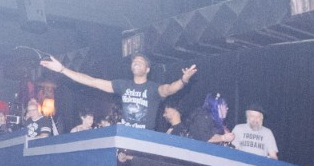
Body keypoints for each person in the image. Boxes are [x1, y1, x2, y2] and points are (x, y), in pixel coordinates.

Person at [42, 52, 198, 130]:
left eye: (140, 62)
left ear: (147, 69)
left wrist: (183, 80)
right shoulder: (123, 85)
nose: (136, 62)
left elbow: (169, 89)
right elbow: (92, 81)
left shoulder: (152, 88)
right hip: (125, 136)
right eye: (134, 61)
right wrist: (62, 69)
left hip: (144, 139)